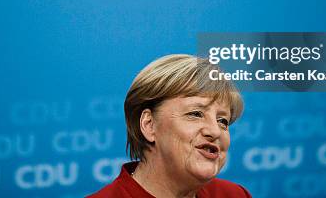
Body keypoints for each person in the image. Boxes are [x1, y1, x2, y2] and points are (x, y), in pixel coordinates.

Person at [88, 54, 252, 198]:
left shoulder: (234, 195)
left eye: (222, 121)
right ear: (149, 125)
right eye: (195, 114)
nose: (215, 131)